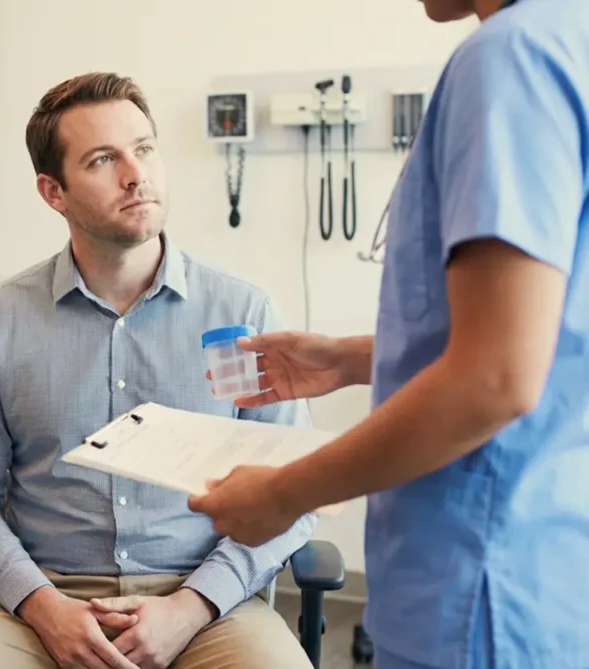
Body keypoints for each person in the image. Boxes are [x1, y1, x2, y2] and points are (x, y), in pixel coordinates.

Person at [188, 1, 589, 668]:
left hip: (480, 586)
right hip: (551, 562)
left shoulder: (510, 58)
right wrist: (348, 359)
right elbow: (551, 339)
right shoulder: (571, 39)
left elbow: (494, 378)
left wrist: (283, 494)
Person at [0, 72, 319, 669]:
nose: (135, 174)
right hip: (39, 602)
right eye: (103, 159)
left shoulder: (243, 316)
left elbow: (292, 491)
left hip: (205, 603)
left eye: (144, 148)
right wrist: (40, 605)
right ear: (53, 192)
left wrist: (191, 606)